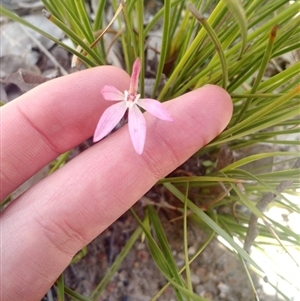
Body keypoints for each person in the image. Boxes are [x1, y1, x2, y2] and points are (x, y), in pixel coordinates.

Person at [1, 65, 232, 301]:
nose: (132, 95)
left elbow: (156, 114)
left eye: (134, 93)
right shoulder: (117, 100)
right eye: (130, 94)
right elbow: (106, 111)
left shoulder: (144, 106)